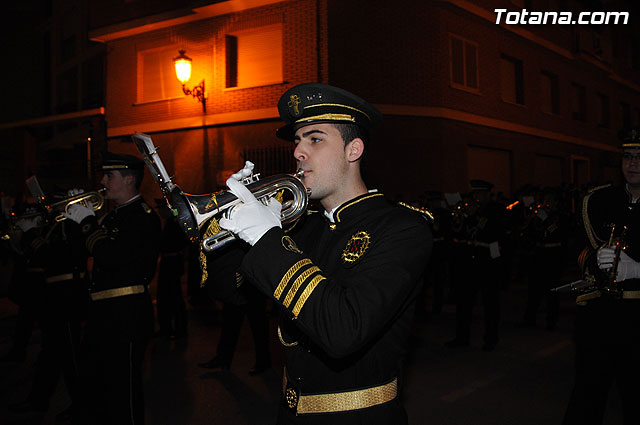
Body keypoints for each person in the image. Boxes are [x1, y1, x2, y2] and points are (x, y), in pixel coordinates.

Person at [218, 83, 433, 424]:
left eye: (315, 139)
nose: (299, 152)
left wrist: (266, 239)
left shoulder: (402, 229)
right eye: (297, 141)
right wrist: (231, 228)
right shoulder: (302, 226)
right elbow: (231, 292)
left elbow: (343, 330)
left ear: (353, 149)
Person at [63, 153, 161, 425]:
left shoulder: (143, 217)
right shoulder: (111, 217)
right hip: (102, 314)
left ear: (129, 179)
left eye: (109, 176)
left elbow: (112, 256)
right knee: (96, 386)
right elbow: (78, 253)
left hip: (126, 315)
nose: (103, 181)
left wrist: (87, 223)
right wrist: (74, 222)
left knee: (123, 391)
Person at [562, 127, 640, 425]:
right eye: (628, 156)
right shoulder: (599, 201)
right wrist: (594, 259)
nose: (633, 164)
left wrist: (636, 269)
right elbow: (577, 247)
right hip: (600, 317)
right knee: (586, 397)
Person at [8, 194, 89, 423]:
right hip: (53, 299)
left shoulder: (71, 226)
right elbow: (30, 258)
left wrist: (32, 234)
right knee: (50, 355)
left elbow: (54, 258)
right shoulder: (54, 227)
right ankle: (38, 399)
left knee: (71, 358)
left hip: (67, 299)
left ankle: (82, 405)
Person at [445, 180, 506, 351]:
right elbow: (459, 232)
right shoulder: (470, 211)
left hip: (488, 261)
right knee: (464, 302)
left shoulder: (496, 210)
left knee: (490, 303)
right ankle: (462, 337)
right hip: (469, 262)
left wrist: (474, 215)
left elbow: (491, 232)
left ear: (487, 194)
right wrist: (460, 217)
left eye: (479, 194)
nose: (476, 198)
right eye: (475, 195)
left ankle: (491, 338)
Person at [197, 244, 271, 375]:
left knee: (258, 323)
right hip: (236, 278)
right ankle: (223, 358)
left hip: (252, 279)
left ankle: (263, 362)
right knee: (230, 322)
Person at [155, 200, 188, 340]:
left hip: (171, 263)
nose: (160, 212)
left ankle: (175, 329)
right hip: (169, 262)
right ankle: (168, 328)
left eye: (162, 209)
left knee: (172, 298)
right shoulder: (170, 223)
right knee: (167, 298)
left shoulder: (174, 224)